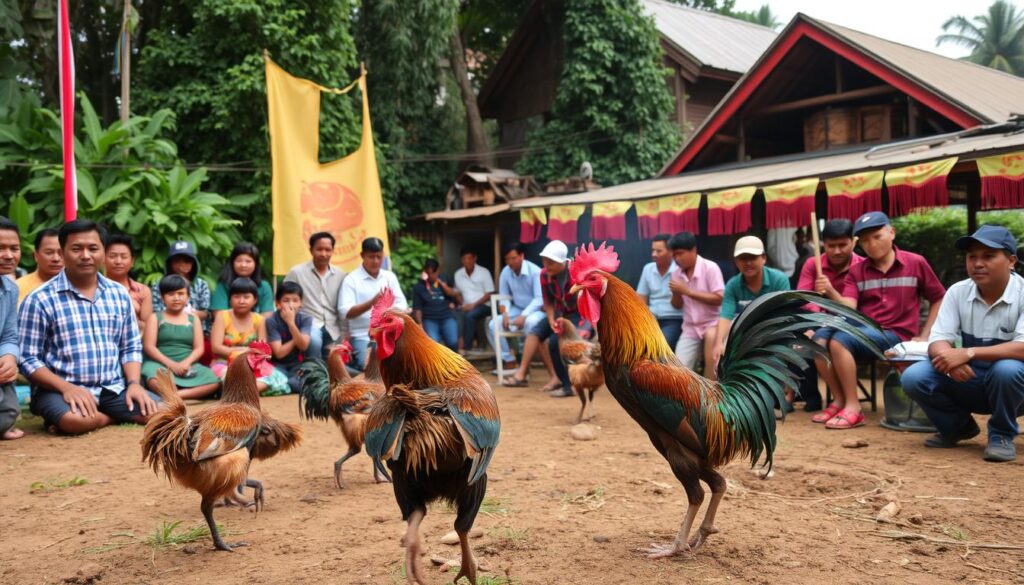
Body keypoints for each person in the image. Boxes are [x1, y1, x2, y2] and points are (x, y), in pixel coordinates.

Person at [19, 219, 160, 435]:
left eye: (93, 248)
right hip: (58, 390)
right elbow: (27, 359)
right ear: (63, 252)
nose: (86, 255)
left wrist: (133, 383)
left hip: (113, 389)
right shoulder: (39, 299)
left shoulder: (118, 294)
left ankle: (101, 416)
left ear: (103, 252)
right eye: (76, 248)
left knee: (165, 411)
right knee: (74, 420)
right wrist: (67, 388)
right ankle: (105, 417)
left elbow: (130, 346)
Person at [900, 226, 1024, 462]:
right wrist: (949, 361)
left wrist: (966, 353)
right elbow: (938, 339)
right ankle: (957, 427)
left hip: (1016, 386)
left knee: (1007, 369)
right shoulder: (957, 292)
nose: (978, 263)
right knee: (914, 376)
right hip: (972, 377)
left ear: (1011, 261)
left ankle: (1001, 434)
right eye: (972, 256)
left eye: (988, 256)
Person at [814, 212, 945, 430]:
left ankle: (854, 408)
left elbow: (939, 297)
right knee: (818, 341)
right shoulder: (857, 271)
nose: (871, 244)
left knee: (839, 341)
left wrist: (925, 335)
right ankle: (839, 400)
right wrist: (829, 291)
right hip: (863, 330)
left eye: (876, 236)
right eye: (865, 240)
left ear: (891, 233)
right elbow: (850, 308)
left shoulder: (916, 262)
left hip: (897, 334)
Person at [502, 240, 590, 397]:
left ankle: (569, 385)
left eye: (551, 262)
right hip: (559, 313)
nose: (546, 265)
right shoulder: (544, 275)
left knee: (557, 343)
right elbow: (548, 301)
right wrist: (550, 318)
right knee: (536, 332)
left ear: (562, 262)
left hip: (579, 315)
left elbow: (587, 300)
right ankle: (530, 375)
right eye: (544, 261)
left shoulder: (576, 273)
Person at [794, 219, 863, 412]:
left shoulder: (862, 266)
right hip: (820, 322)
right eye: (831, 245)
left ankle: (843, 399)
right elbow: (804, 299)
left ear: (853, 242)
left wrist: (831, 292)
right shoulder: (812, 264)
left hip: (852, 324)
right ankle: (811, 397)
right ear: (823, 244)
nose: (837, 251)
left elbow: (858, 309)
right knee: (801, 338)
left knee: (821, 339)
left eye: (843, 245)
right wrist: (818, 317)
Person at [712, 236, 790, 380]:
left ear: (763, 258)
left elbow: (784, 315)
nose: (748, 263)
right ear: (736, 262)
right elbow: (726, 315)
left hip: (773, 331)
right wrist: (718, 344)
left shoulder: (779, 279)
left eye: (753, 257)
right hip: (744, 335)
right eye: (743, 258)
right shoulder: (732, 284)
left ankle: (786, 395)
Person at [141, 274, 220, 399]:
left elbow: (199, 348)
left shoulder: (194, 318)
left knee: (213, 381)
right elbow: (149, 347)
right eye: (171, 294)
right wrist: (171, 365)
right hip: (160, 363)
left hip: (188, 365)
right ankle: (174, 394)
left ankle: (177, 396)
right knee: (153, 378)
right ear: (162, 297)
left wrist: (185, 363)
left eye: (180, 293)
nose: (176, 298)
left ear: (188, 296)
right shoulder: (155, 317)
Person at [210, 277, 290, 395]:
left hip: (253, 363)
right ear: (230, 299)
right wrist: (242, 352)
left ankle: (241, 392)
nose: (241, 301)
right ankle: (244, 391)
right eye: (236, 297)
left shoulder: (259, 319)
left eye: (246, 297)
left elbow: (263, 349)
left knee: (280, 380)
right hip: (224, 362)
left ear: (255, 300)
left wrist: (247, 355)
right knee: (226, 377)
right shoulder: (222, 316)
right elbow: (216, 348)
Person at [338, 237, 408, 369]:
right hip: (362, 336)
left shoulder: (389, 276)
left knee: (405, 364)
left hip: (390, 333)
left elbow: (402, 303)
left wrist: (387, 312)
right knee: (369, 366)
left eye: (379, 257)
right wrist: (372, 303)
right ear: (362, 256)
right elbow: (345, 312)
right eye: (371, 257)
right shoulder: (351, 279)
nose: (376, 261)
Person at [668, 231, 724, 377]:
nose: (677, 258)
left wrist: (687, 292)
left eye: (680, 253)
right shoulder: (675, 273)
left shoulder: (710, 267)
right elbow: (677, 305)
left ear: (693, 250)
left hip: (713, 323)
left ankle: (709, 395)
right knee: (679, 370)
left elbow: (719, 298)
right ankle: (685, 398)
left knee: (712, 364)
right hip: (690, 327)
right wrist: (676, 293)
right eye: (674, 255)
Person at [284, 231, 347, 359]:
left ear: (332, 251)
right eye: (319, 249)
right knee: (314, 342)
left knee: (336, 360)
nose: (323, 254)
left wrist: (345, 332)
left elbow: (343, 304)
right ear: (311, 250)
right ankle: (313, 376)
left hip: (333, 325)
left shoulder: (340, 275)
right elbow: (284, 298)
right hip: (308, 324)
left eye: (327, 250)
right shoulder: (297, 272)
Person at [488, 243, 548, 371]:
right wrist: (505, 314)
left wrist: (524, 315)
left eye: (513, 258)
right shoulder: (505, 271)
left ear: (522, 256)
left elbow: (539, 298)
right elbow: (504, 297)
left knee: (531, 323)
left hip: (536, 311)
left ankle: (525, 364)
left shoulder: (535, 271)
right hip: (516, 310)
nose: (510, 262)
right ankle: (509, 359)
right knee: (494, 324)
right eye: (507, 259)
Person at [151, 240, 212, 334]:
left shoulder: (201, 284)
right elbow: (155, 312)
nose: (181, 266)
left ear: (194, 263)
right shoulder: (159, 284)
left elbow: (207, 313)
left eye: (187, 261)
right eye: (176, 261)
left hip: (197, 333)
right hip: (166, 333)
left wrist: (192, 315)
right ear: (169, 263)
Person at [265, 281, 313, 394]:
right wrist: (296, 335)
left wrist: (290, 323)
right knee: (271, 380)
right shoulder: (271, 320)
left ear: (300, 303)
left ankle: (286, 384)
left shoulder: (305, 319)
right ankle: (284, 383)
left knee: (299, 383)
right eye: (286, 300)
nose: (291, 304)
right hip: (278, 366)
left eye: (295, 300)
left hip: (297, 365)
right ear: (278, 303)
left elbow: (303, 346)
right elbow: (279, 353)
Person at [637, 234, 684, 348]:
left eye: (659, 251)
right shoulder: (648, 268)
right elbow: (641, 299)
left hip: (673, 319)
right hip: (651, 319)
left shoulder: (680, 270)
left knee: (660, 346)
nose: (654, 254)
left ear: (670, 252)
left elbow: (678, 304)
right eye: (653, 250)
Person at [0, 217, 22, 439]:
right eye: (0, 248)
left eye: (14, 248)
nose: (8, 255)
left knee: (8, 414)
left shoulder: (10, 289)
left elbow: (9, 335)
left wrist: (9, 357)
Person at [211, 242, 274, 318]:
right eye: (239, 261)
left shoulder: (264, 286)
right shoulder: (223, 285)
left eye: (248, 261)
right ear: (232, 263)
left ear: (256, 264)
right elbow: (219, 315)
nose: (243, 265)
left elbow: (267, 315)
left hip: (258, 328)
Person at [104, 234, 153, 332]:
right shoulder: (93, 287)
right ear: (103, 259)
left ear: (132, 261)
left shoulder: (142, 291)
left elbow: (148, 328)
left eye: (124, 256)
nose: (118, 261)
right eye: (112, 256)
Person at [412, 259, 461, 351]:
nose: (431, 276)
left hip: (447, 316)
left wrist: (442, 284)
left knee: (453, 342)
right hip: (430, 319)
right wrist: (420, 324)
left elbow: (454, 294)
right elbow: (417, 308)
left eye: (433, 273)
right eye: (428, 273)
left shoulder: (445, 279)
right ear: (425, 271)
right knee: (434, 344)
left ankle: (454, 364)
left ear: (438, 270)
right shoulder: (419, 286)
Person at [453, 247, 494, 352]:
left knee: (470, 316)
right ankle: (457, 346)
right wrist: (462, 304)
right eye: (465, 258)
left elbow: (489, 293)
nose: (467, 261)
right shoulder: (458, 274)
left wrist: (473, 305)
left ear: (475, 259)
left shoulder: (484, 272)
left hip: (485, 305)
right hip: (467, 306)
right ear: (461, 260)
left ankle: (467, 348)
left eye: (470, 258)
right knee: (455, 315)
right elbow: (457, 293)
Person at [16, 228, 62, 303]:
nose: (56, 259)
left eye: (61, 253)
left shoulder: (79, 286)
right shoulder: (17, 288)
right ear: (36, 256)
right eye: (49, 252)